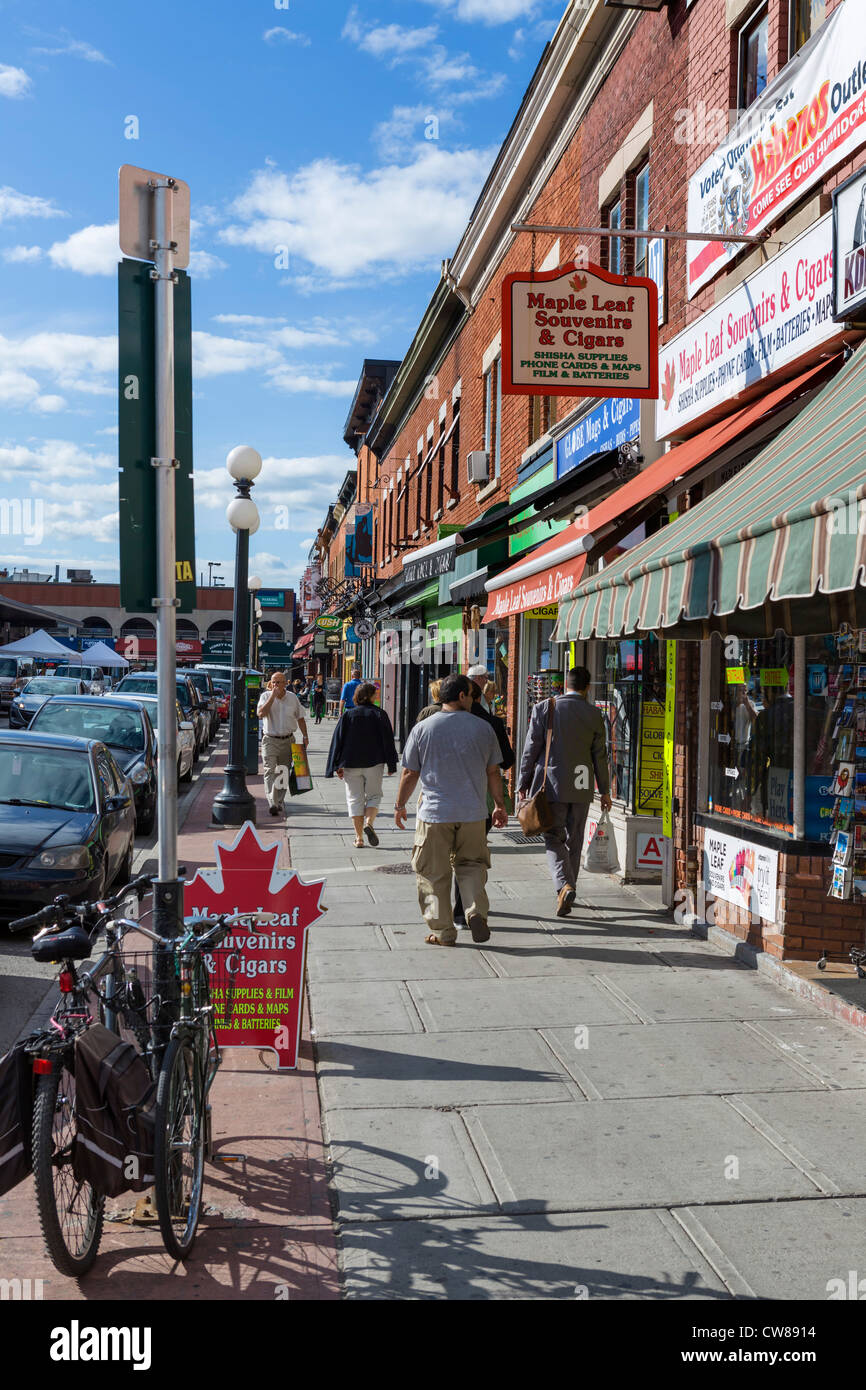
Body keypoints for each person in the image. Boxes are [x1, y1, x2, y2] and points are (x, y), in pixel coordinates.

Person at [395, 673, 507, 947]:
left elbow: (410, 772)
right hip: (473, 814)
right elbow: (494, 772)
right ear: (461, 696)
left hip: (435, 813)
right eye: (471, 694)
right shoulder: (484, 728)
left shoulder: (423, 728)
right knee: (472, 866)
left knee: (431, 875)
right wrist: (500, 805)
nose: (473, 699)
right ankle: (474, 911)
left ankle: (443, 931)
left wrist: (399, 805)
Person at [518, 665, 612, 917]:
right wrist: (605, 790)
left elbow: (531, 750)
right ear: (587, 687)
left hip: (551, 785)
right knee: (575, 839)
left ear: (565, 685)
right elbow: (600, 756)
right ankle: (568, 886)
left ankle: (564, 884)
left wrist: (522, 784)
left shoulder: (545, 708)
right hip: (582, 786)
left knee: (552, 836)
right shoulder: (594, 714)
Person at [452, 678, 515, 927]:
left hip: (447, 800)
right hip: (483, 799)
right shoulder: (491, 723)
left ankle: (460, 909)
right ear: (478, 697)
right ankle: (467, 907)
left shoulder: (438, 721)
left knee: (451, 856)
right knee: (472, 856)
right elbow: (507, 760)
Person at [325, 682, 398, 847]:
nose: (377, 696)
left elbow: (338, 739)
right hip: (374, 762)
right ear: (370, 696)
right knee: (374, 796)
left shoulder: (348, 715)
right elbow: (388, 740)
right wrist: (391, 763)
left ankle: (358, 838)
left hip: (350, 763)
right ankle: (369, 823)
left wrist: (335, 765)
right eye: (375, 694)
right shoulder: (379, 714)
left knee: (354, 799)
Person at [256, 671, 308, 817]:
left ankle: (279, 801)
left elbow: (301, 718)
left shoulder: (292, 698)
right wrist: (272, 696)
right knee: (269, 770)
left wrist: (305, 736)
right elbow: (261, 714)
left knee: (283, 771)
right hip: (270, 739)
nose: (276, 685)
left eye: (279, 682)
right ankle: (272, 802)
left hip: (288, 739)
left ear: (286, 683)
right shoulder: (265, 696)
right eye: (273, 682)